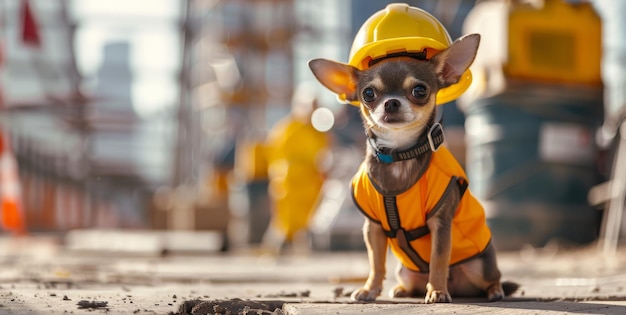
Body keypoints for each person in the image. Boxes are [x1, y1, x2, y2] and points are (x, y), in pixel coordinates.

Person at [262, 84, 331, 254]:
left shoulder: (318, 132)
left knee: (307, 220)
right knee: (285, 220)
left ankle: (300, 250)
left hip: (310, 184)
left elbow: (323, 156)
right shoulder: (286, 129)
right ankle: (274, 248)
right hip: (289, 184)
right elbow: (274, 156)